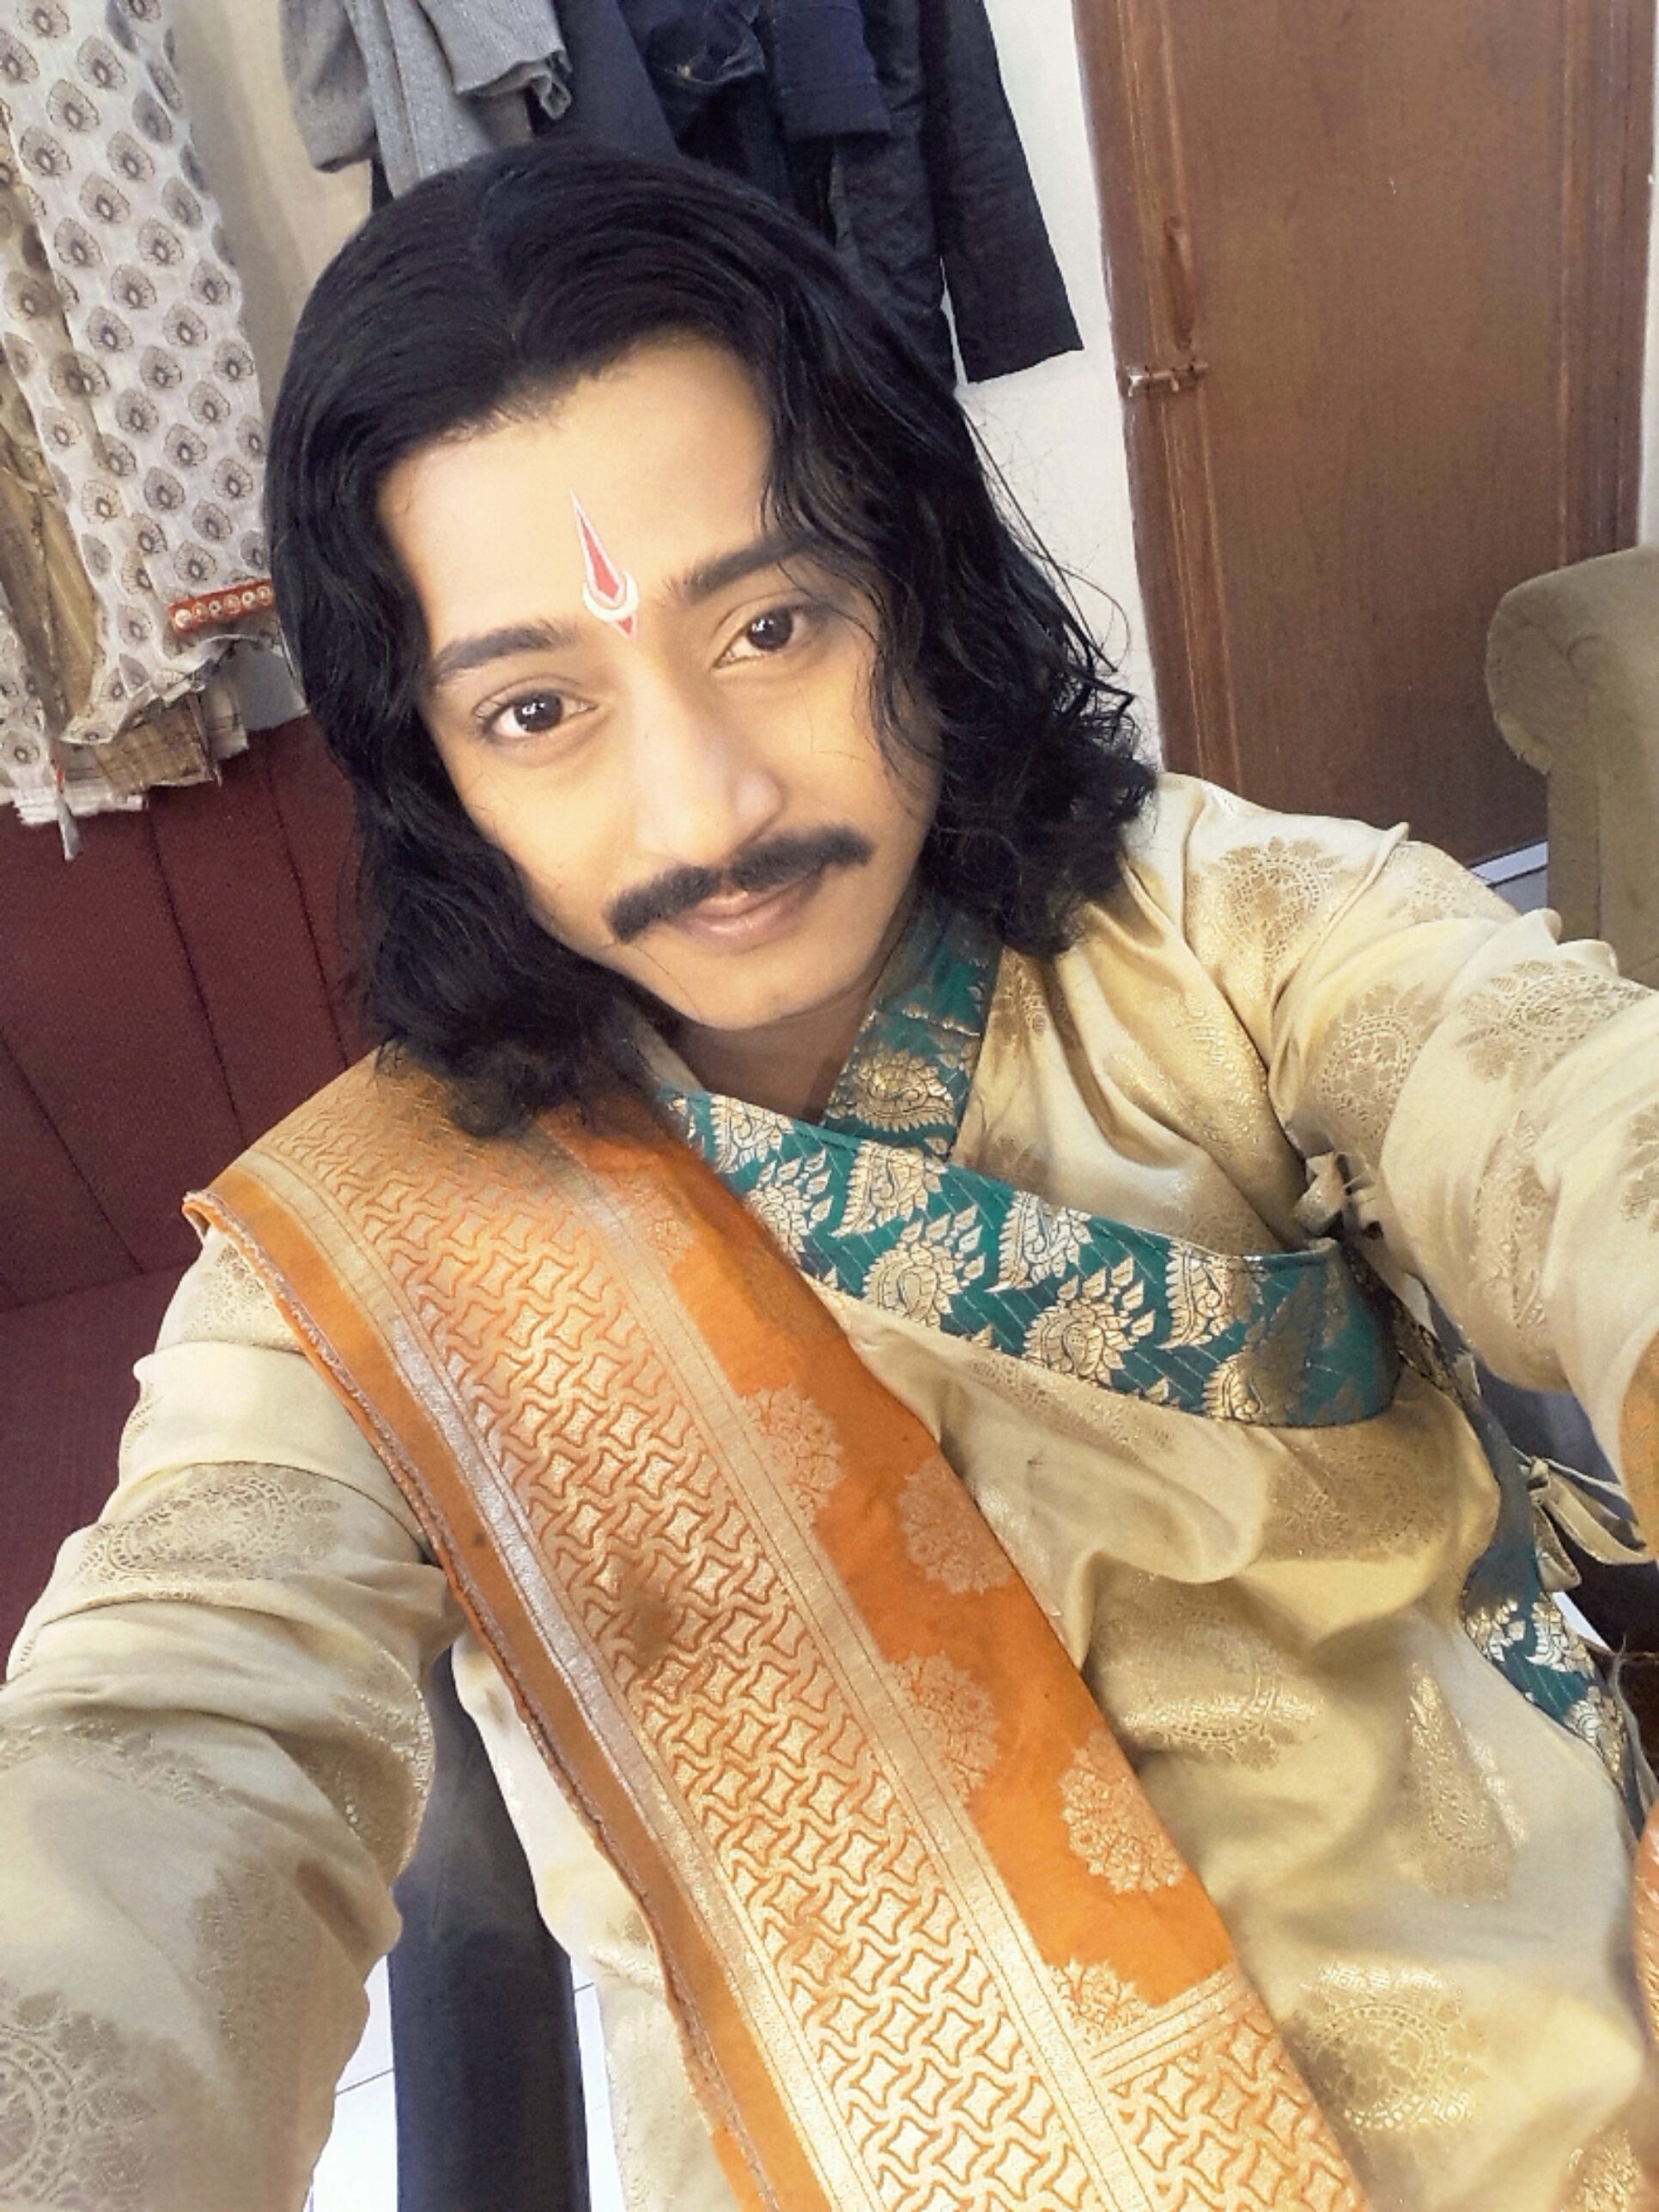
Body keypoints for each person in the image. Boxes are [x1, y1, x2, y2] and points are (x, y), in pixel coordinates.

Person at [3, 137, 1657, 2212]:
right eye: (537, 707)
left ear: (915, 574)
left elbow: (1568, 1108)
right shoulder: (358, 1275)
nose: (704, 804)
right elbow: (171, 1738)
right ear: (429, 769)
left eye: (771, 624)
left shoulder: (1217, 932)